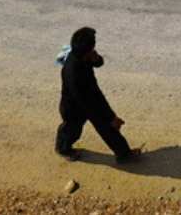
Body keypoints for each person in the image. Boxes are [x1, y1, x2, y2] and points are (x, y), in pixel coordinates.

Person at [55, 26, 142, 163]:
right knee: (72, 130)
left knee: (108, 128)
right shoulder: (74, 73)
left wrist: (96, 60)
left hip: (88, 99)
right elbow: (90, 100)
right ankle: (63, 148)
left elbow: (99, 62)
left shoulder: (82, 55)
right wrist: (110, 117)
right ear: (86, 52)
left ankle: (124, 154)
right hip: (76, 106)